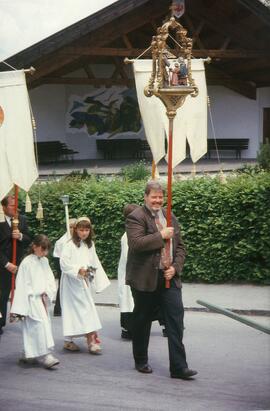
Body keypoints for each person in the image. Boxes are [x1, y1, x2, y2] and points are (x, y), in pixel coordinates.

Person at [126, 180, 197, 379]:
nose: (157, 200)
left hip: (169, 278)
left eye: (160, 197)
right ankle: (140, 359)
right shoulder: (136, 217)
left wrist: (175, 268)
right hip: (145, 279)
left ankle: (178, 367)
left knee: (175, 321)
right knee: (142, 320)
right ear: (145, 197)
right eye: (153, 197)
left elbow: (181, 247)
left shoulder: (170, 215)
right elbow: (136, 244)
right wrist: (161, 235)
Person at [60, 216, 110, 354]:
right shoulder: (69, 245)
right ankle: (72, 340)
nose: (84, 233)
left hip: (84, 282)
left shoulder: (90, 245)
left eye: (87, 230)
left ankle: (90, 340)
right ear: (76, 230)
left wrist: (93, 277)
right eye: (81, 230)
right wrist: (77, 270)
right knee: (73, 311)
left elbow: (94, 262)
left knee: (87, 309)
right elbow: (63, 264)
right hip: (71, 283)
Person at [118, 203, 167, 340]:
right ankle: (129, 330)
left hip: (136, 272)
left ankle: (130, 329)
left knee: (137, 302)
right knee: (133, 303)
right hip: (135, 273)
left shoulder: (133, 233)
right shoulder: (130, 235)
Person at [10, 234, 59, 369]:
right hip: (31, 300)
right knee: (38, 327)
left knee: (41, 326)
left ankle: (28, 353)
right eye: (42, 249)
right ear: (34, 247)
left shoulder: (44, 261)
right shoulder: (27, 262)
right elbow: (21, 284)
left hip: (42, 299)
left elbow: (49, 278)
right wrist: (20, 307)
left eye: (47, 250)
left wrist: (48, 291)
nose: (45, 253)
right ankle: (46, 356)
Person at [0, 195, 31, 335]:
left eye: (16, 205)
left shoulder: (22, 219)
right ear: (4, 207)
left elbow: (29, 239)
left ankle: (22, 316)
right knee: (2, 294)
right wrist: (6, 264)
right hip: (3, 264)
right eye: (12, 206)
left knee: (22, 292)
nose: (15, 209)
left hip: (19, 264)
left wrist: (21, 236)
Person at [52, 218, 77, 317]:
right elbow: (64, 257)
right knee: (62, 284)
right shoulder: (63, 240)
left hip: (67, 262)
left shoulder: (73, 238)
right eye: (70, 227)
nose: (72, 229)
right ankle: (58, 309)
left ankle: (69, 307)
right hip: (59, 260)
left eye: (74, 227)